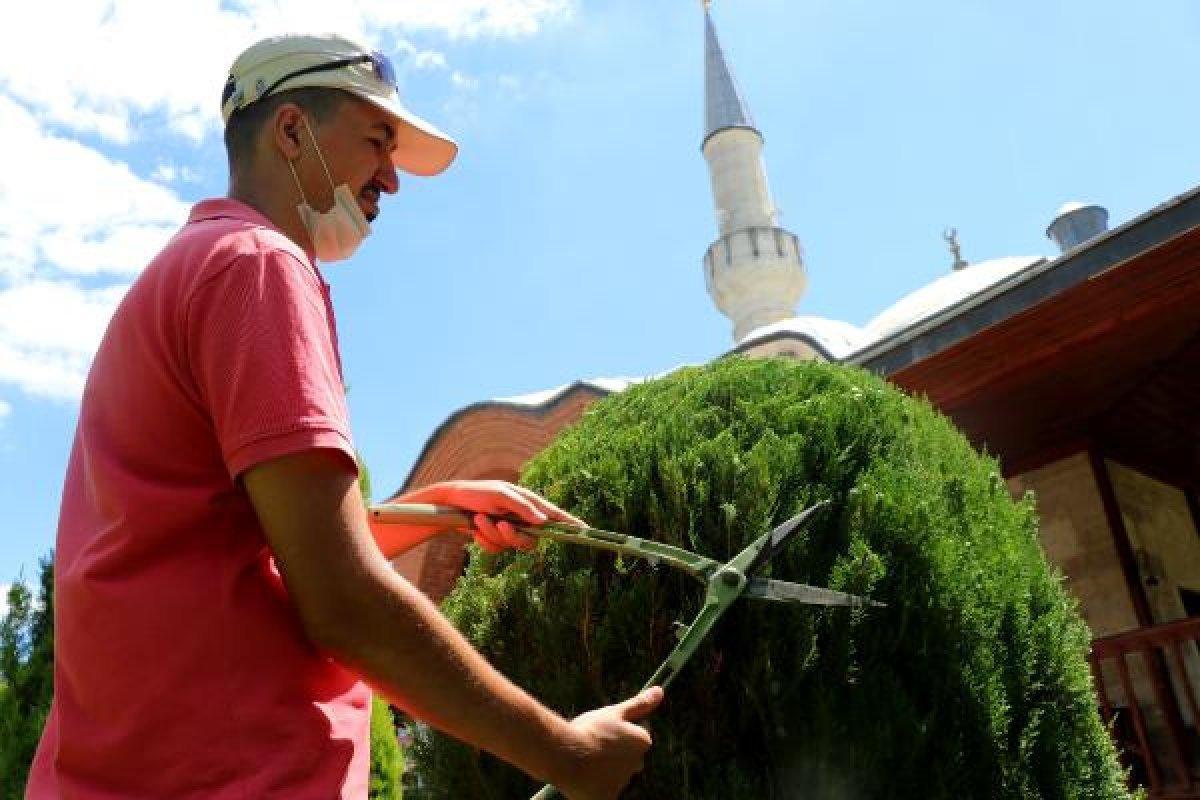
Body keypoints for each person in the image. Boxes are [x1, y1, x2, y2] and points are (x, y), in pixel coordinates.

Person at [27, 33, 662, 800]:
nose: (391, 180)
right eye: (376, 142)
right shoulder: (260, 266)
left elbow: (250, 550)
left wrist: (444, 510)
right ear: (292, 132)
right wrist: (564, 751)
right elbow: (340, 599)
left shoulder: (190, 267)